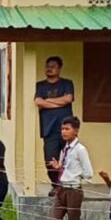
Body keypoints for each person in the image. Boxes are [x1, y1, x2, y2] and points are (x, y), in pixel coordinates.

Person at [50, 116, 92, 220]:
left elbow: (88, 173)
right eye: (62, 129)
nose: (63, 132)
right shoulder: (65, 149)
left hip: (73, 190)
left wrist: (74, 176)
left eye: (67, 129)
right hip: (61, 189)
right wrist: (59, 167)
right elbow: (66, 168)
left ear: (76, 131)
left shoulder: (80, 150)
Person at [34, 56, 75, 192]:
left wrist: (47, 101)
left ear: (59, 68)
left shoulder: (67, 83)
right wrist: (60, 102)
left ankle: (69, 185)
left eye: (53, 66)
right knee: (50, 160)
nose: (49, 69)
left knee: (70, 158)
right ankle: (56, 186)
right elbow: (38, 101)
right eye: (47, 66)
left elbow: (68, 99)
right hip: (49, 129)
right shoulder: (40, 85)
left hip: (67, 129)